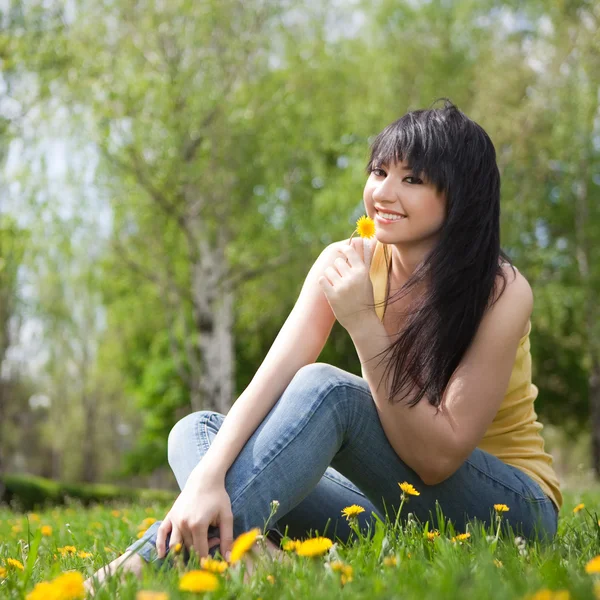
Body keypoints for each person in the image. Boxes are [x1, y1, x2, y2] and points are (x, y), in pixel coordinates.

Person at [87, 98, 561, 589]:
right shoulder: (345, 260)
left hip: (508, 510)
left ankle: (131, 572)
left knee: (329, 390)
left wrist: (361, 320)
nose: (383, 192)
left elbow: (438, 458)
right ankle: (249, 554)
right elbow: (273, 375)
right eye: (379, 171)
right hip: (386, 508)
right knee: (199, 430)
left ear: (460, 196)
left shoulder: (500, 291)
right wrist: (205, 481)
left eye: (412, 179)